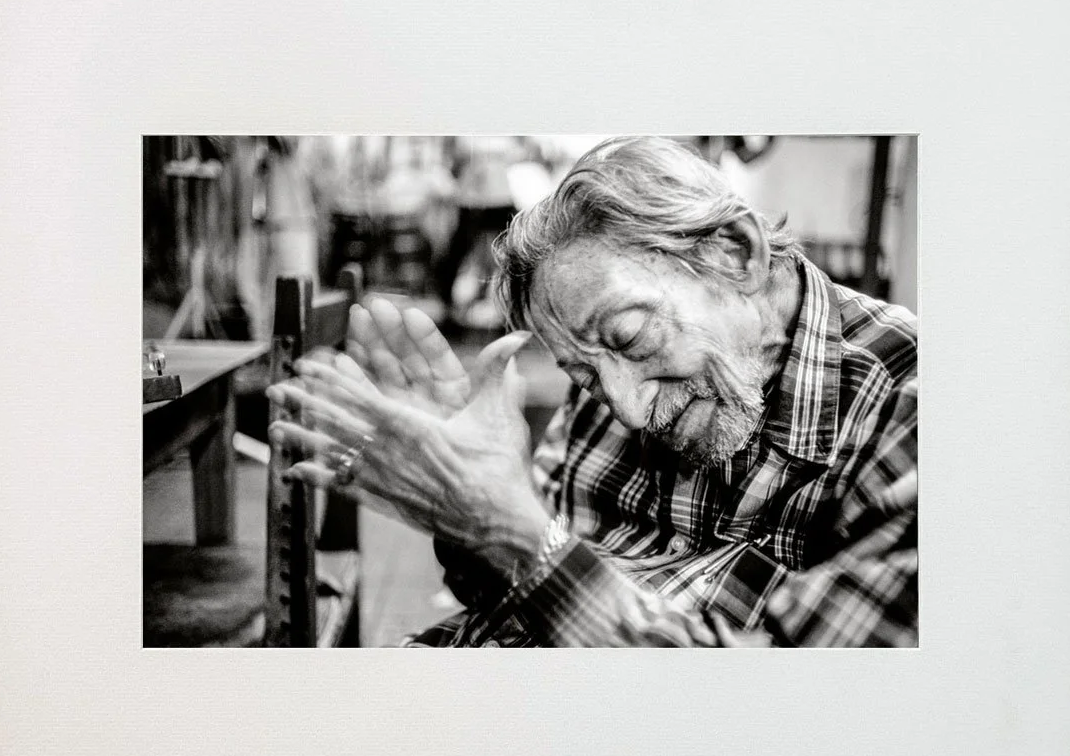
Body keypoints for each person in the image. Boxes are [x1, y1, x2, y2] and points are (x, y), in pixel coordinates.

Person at [268, 136, 917, 647]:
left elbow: (771, 724)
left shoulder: (914, 412)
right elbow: (509, 588)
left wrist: (516, 532)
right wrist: (466, 509)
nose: (628, 407)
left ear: (736, 254)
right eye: (584, 378)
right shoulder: (604, 363)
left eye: (633, 336)